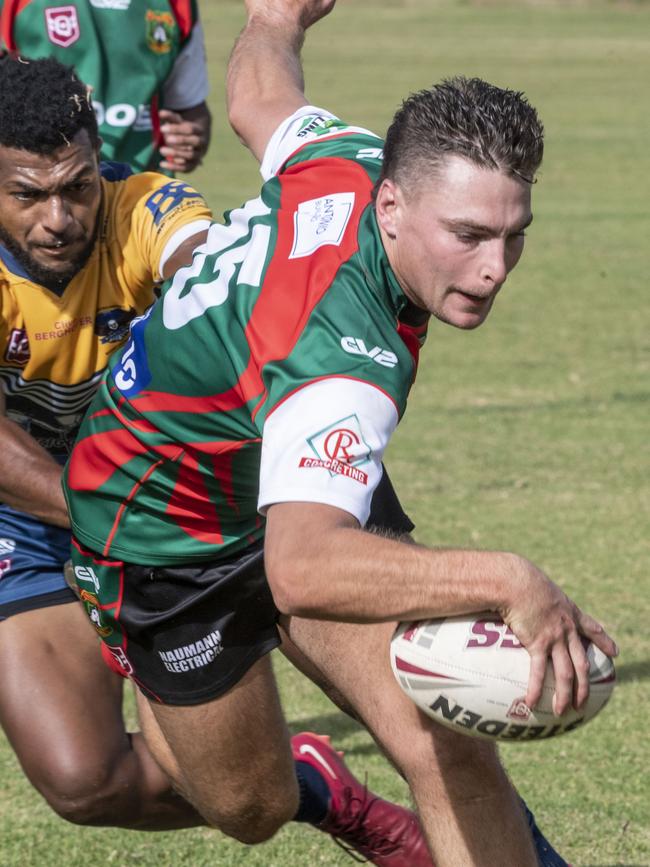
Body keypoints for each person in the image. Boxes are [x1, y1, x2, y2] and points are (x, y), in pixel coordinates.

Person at [62, 1, 618, 865]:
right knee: (251, 804)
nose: (493, 269)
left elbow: (256, 94)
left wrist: (277, 15)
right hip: (160, 528)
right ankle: (306, 771)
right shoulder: (342, 366)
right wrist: (508, 577)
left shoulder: (345, 158)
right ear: (392, 204)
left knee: (447, 736)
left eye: (514, 237)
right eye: (468, 237)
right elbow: (303, 567)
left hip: (290, 465)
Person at [0, 52, 433, 864]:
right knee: (83, 777)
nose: (59, 216)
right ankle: (315, 786)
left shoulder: (145, 209)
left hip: (171, 493)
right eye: (27, 195)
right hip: (32, 512)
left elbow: (203, 263)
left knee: (268, 787)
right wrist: (113, 508)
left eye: (78, 186)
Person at [0, 0, 211, 173]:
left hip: (142, 194)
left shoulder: (177, 5)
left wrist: (189, 138)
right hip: (45, 191)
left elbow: (189, 106)